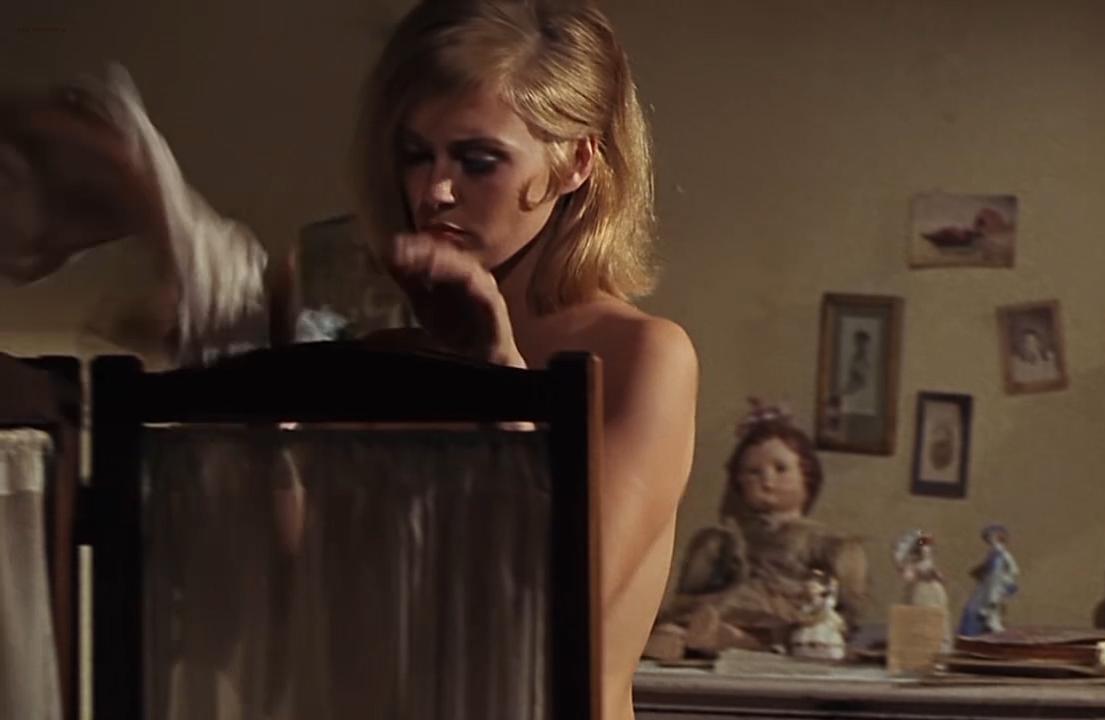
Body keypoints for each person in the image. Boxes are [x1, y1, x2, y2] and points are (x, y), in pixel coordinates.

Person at [1, 2, 698, 718]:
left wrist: (499, 377)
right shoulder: (380, 350)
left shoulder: (642, 356)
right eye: (416, 154)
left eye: (477, 160)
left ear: (576, 161)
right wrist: (234, 368)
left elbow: (547, 610)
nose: (434, 192)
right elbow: (303, 589)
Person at [645, 399, 867, 660]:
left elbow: (846, 610)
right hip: (722, 609)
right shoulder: (724, 540)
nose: (767, 480)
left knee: (786, 634)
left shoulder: (826, 543)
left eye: (781, 469)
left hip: (787, 619)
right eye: (753, 472)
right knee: (683, 623)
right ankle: (674, 639)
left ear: (807, 475)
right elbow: (691, 594)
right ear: (739, 481)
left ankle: (722, 639)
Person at [958, 524, 1019, 636]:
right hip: (987, 584)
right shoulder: (993, 554)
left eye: (991, 536)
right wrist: (981, 571)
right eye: (988, 537)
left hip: (995, 584)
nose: (990, 539)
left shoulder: (1002, 554)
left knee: (992, 604)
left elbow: (1013, 569)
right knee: (978, 605)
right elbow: (988, 567)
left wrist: (1006, 581)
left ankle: (992, 624)